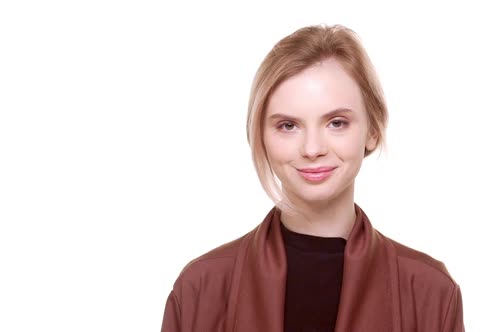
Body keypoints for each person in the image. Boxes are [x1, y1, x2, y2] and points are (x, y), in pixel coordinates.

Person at [161, 24, 464, 332]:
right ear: (260, 136)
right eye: (288, 126)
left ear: (372, 130)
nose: (312, 148)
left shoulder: (430, 292)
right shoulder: (200, 289)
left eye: (336, 122)